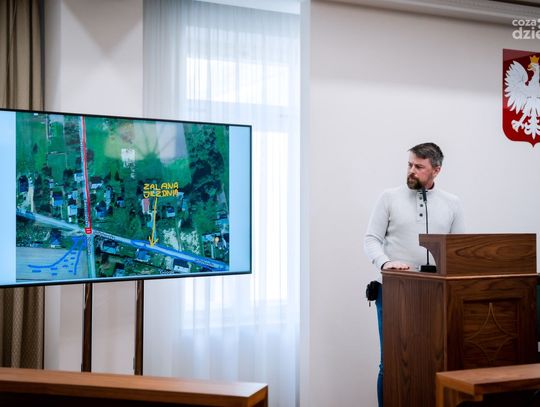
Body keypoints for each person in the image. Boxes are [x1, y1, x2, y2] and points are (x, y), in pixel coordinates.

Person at [363, 142, 465, 407]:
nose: (411, 170)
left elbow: (459, 249)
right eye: (409, 164)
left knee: (433, 362)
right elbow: (371, 239)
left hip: (436, 296)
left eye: (419, 166)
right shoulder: (388, 198)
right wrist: (386, 263)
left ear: (436, 170)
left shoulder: (452, 203)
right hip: (394, 293)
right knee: (391, 363)